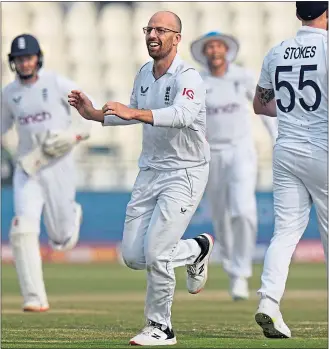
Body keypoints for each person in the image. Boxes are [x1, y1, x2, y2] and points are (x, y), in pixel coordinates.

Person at [68, 11, 214, 346]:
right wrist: (93, 115)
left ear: (176, 38)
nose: (153, 35)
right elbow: (130, 112)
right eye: (149, 29)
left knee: (157, 252)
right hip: (151, 170)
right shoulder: (144, 73)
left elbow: (182, 115)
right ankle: (196, 249)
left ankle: (161, 326)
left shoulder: (188, 77)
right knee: (134, 256)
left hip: (186, 171)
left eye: (161, 30)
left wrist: (133, 112)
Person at [253, 1, 328, 338]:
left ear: (299, 14)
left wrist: (289, 111)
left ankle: (269, 301)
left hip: (286, 149)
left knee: (284, 234)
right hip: (322, 149)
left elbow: (260, 104)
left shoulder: (277, 50)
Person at [2, 34, 91, 312]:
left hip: (58, 167)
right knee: (22, 229)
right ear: (13, 62)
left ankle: (71, 218)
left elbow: (88, 116)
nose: (25, 63)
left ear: (37, 58)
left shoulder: (57, 83)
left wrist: (70, 136)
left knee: (61, 239)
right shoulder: (9, 94)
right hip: (28, 168)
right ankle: (34, 297)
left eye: (28, 57)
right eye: (19, 59)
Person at [190, 31, 278, 300]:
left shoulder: (244, 76)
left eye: (218, 46)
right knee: (221, 215)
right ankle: (231, 269)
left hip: (241, 150)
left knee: (243, 211)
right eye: (210, 48)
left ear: (226, 50)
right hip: (211, 154)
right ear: (205, 53)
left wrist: (277, 140)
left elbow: (265, 108)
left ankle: (241, 273)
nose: (214, 51)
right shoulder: (198, 82)